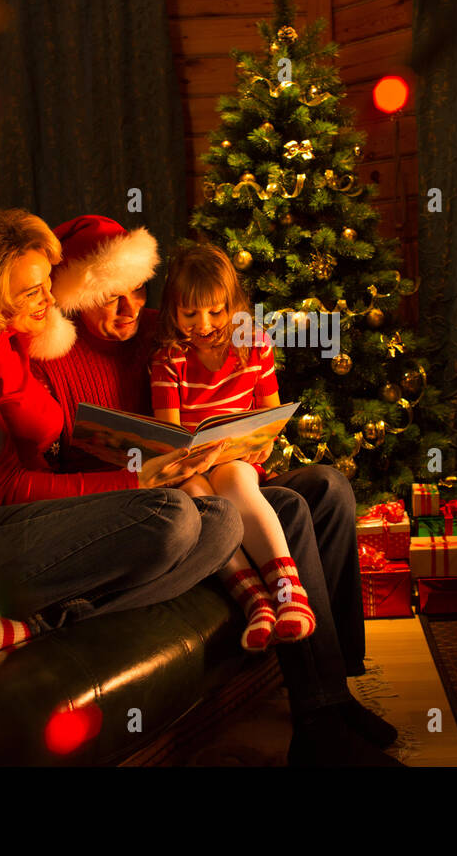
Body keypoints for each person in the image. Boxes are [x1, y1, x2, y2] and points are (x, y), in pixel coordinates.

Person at [28, 215, 401, 766]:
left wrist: (253, 436)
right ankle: (318, 719)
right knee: (293, 509)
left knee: (329, 485)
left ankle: (339, 681)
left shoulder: (170, 322)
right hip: (159, 496)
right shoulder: (53, 359)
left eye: (137, 291)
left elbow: (221, 330)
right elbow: (52, 462)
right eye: (111, 298)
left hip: (221, 468)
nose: (130, 309)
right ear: (78, 298)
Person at [0, 208, 238, 661]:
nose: (49, 298)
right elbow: (8, 488)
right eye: (32, 291)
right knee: (172, 514)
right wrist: (144, 479)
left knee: (221, 522)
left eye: (47, 284)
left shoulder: (17, 341)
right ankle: (38, 620)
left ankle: (48, 623)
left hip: (28, 519)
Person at [150, 245, 314, 652]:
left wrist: (261, 442)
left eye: (215, 312)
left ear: (232, 305)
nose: (203, 324)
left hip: (235, 459)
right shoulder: (169, 359)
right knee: (197, 500)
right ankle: (254, 601)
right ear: (173, 311)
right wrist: (189, 459)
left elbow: (270, 416)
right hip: (189, 468)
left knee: (238, 481)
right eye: (190, 314)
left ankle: (289, 593)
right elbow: (170, 435)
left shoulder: (254, 346)